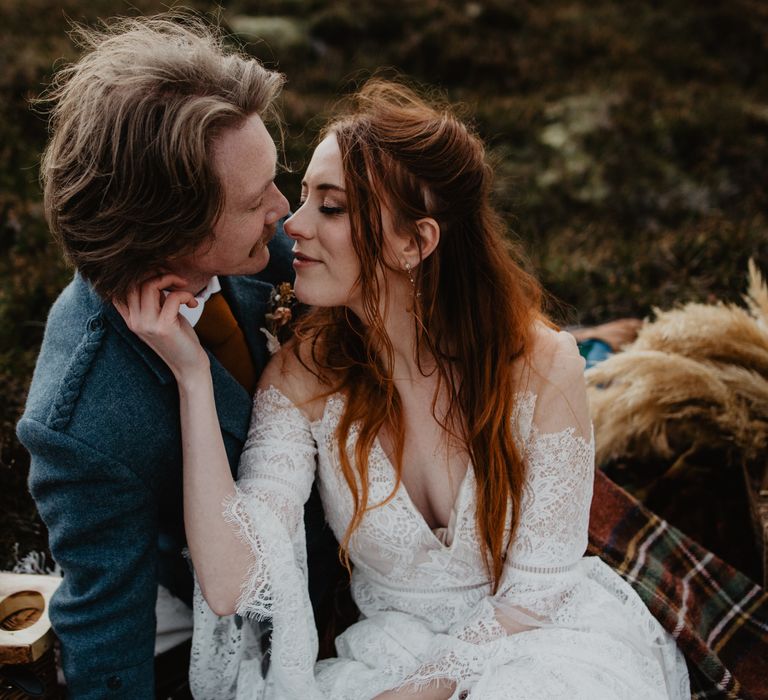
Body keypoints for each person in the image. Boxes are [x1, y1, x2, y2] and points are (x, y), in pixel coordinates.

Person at [120, 81, 691, 698]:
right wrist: (192, 376)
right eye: (305, 197)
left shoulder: (543, 363)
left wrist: (427, 689)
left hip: (544, 642)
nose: (294, 224)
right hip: (389, 656)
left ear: (414, 242)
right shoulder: (302, 377)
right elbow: (232, 582)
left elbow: (537, 590)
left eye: (330, 208)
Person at [16, 15, 336, 698]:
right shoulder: (86, 423)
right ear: (169, 232)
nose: (285, 211)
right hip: (226, 587)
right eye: (255, 203)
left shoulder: (269, 248)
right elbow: (105, 630)